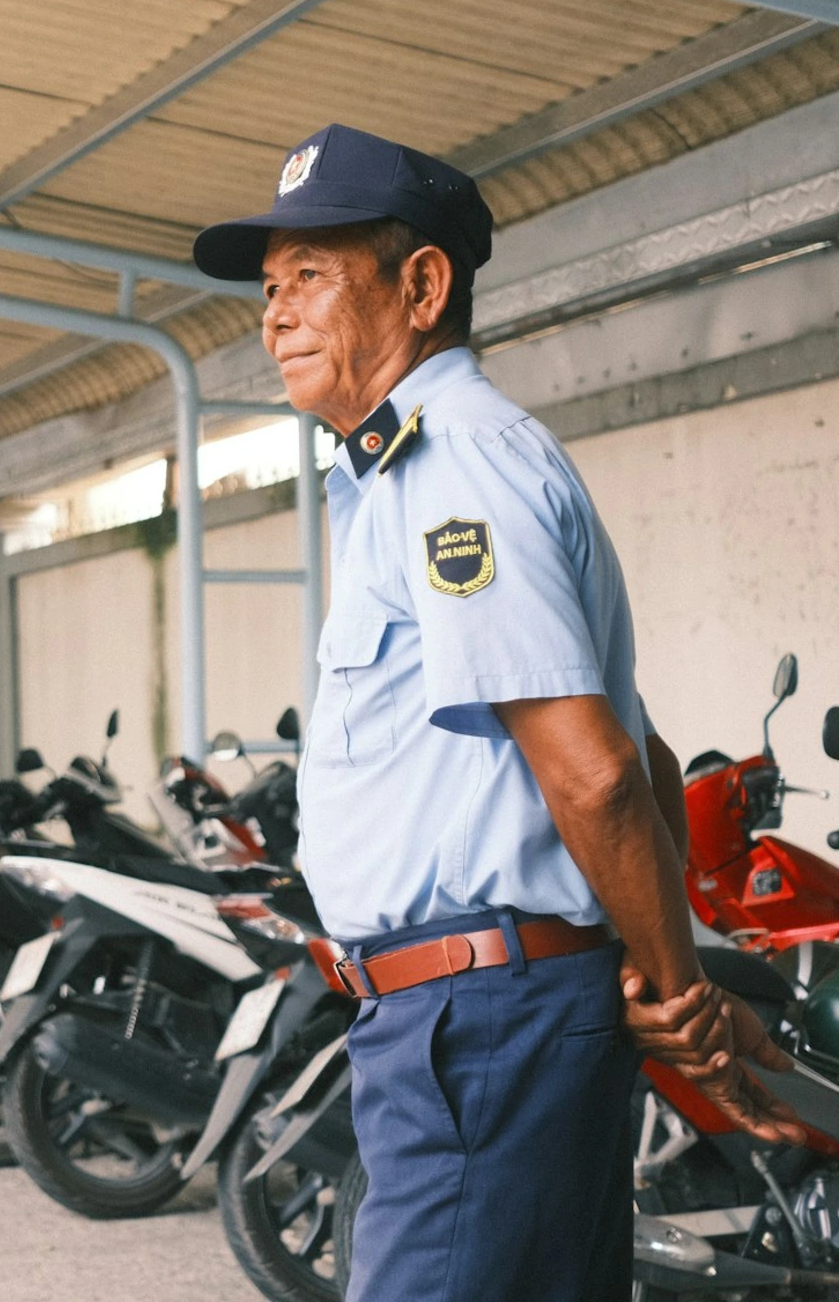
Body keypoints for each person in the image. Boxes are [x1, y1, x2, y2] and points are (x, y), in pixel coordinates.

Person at [193, 123, 802, 1302]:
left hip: (476, 1023)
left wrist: (679, 994)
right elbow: (644, 745)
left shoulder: (449, 469)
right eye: (269, 288)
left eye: (311, 276)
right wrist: (663, 970)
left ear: (421, 285)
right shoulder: (409, 476)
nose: (274, 315)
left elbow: (594, 774)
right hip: (477, 1016)